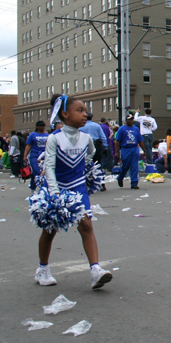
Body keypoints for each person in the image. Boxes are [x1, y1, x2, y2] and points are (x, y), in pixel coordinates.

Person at [34, 93, 113, 289]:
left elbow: (90, 155)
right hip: (57, 188)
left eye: (85, 111)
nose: (85, 114)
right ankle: (42, 269)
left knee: (86, 226)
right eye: (80, 111)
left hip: (78, 187)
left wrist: (86, 171)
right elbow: (50, 167)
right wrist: (54, 194)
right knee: (50, 230)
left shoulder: (86, 138)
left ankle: (95, 270)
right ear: (65, 114)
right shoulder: (54, 138)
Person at [114, 114, 144, 190]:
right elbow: (117, 141)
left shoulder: (136, 129)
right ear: (126, 120)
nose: (130, 121)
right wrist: (116, 152)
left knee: (134, 166)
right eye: (129, 119)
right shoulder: (122, 129)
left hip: (134, 149)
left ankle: (134, 183)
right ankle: (120, 178)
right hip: (125, 149)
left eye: (131, 119)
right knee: (125, 166)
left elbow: (140, 140)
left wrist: (144, 150)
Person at [23, 121, 49, 191]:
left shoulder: (47, 135)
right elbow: (28, 146)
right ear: (37, 127)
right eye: (41, 126)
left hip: (44, 155)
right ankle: (36, 188)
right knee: (37, 171)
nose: (42, 127)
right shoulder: (32, 135)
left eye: (43, 125)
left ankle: (35, 187)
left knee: (41, 173)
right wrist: (25, 156)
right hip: (35, 155)